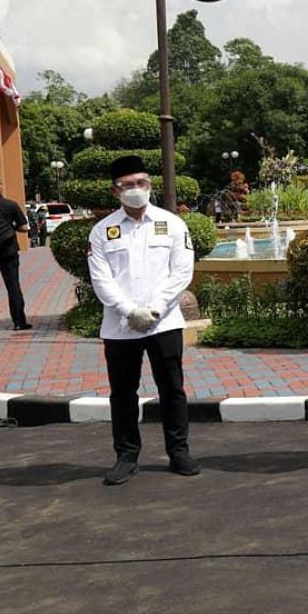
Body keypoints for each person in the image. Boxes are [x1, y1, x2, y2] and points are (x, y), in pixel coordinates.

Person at [87, 156, 198, 486]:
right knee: (123, 393)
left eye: (142, 183)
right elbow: (101, 279)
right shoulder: (102, 231)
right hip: (120, 328)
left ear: (150, 185)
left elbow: (181, 272)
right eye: (128, 185)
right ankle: (126, 456)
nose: (136, 190)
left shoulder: (172, 223)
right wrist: (128, 310)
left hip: (163, 323)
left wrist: (153, 308)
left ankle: (178, 451)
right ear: (115, 190)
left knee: (172, 389)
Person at [0, 174, 32, 331]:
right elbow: (24, 227)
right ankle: (19, 322)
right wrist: (11, 226)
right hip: (8, 251)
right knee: (13, 286)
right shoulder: (10, 205)